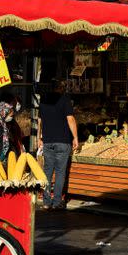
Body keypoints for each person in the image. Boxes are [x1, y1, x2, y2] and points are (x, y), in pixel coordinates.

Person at [38, 79, 78, 211]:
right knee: (60, 172)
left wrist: (39, 137)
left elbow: (40, 121)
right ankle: (56, 202)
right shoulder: (64, 100)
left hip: (48, 141)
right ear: (60, 88)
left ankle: (45, 202)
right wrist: (75, 137)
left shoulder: (43, 100)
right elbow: (70, 119)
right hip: (62, 141)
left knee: (47, 171)